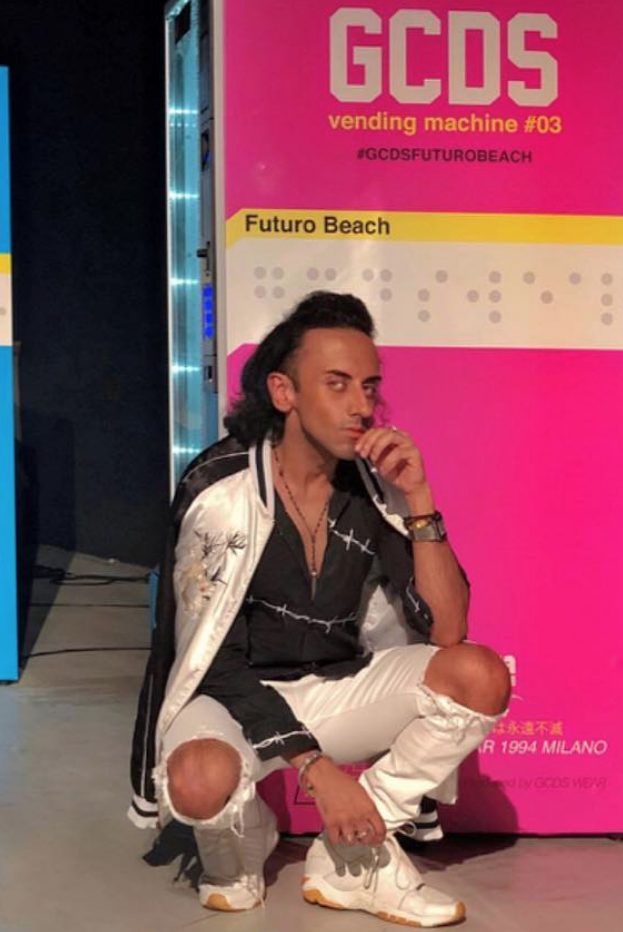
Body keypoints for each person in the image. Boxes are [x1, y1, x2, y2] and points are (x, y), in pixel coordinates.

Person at [128, 291, 510, 926]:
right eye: (337, 384)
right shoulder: (220, 489)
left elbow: (449, 630)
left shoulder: (375, 485)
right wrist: (316, 769)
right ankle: (242, 836)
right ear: (284, 392)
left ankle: (353, 854)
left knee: (479, 675)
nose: (361, 405)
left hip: (333, 687)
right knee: (199, 782)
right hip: (231, 697)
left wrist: (419, 499)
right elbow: (210, 659)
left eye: (369, 386)